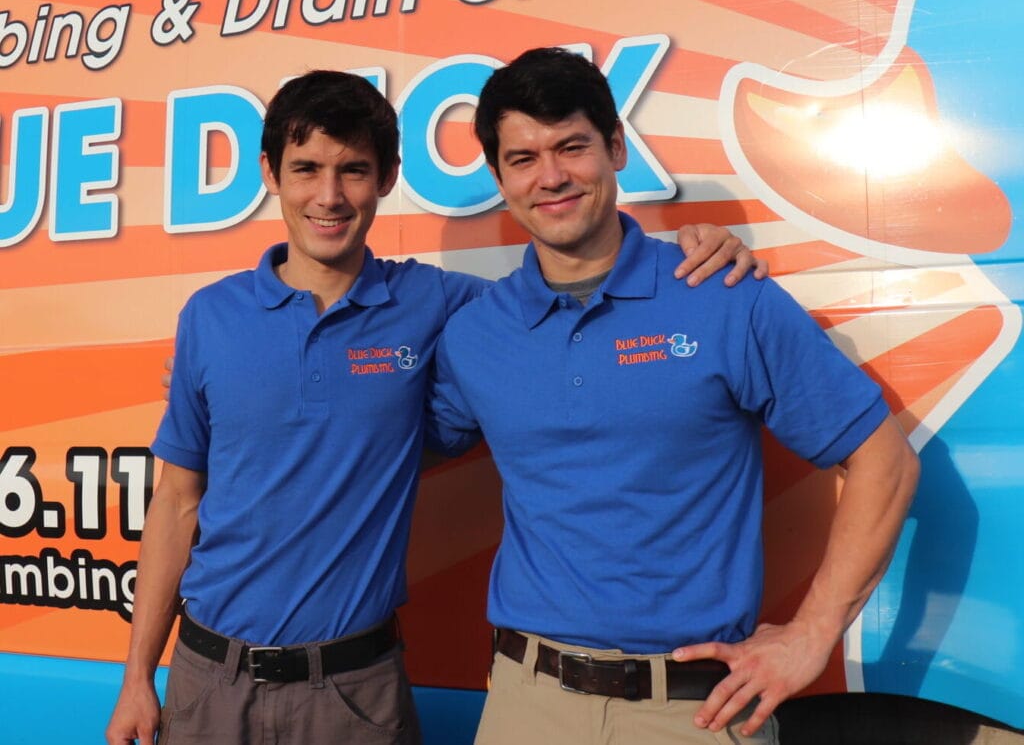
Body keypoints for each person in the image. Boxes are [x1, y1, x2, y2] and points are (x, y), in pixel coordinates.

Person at [105, 68, 765, 745]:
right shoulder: (210, 317)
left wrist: (699, 249)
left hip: (355, 691)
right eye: (305, 169)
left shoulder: (440, 306)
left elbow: (568, 295)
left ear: (388, 176)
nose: (328, 196)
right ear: (271, 173)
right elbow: (177, 503)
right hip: (207, 680)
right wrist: (136, 678)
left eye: (354, 170)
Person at [427, 48, 921, 745]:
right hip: (525, 704)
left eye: (572, 146)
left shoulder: (720, 295)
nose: (552, 176)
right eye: (524, 158)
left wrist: (813, 636)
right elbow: (380, 444)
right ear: (499, 176)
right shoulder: (477, 332)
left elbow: (886, 463)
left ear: (617, 148)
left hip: (693, 712)